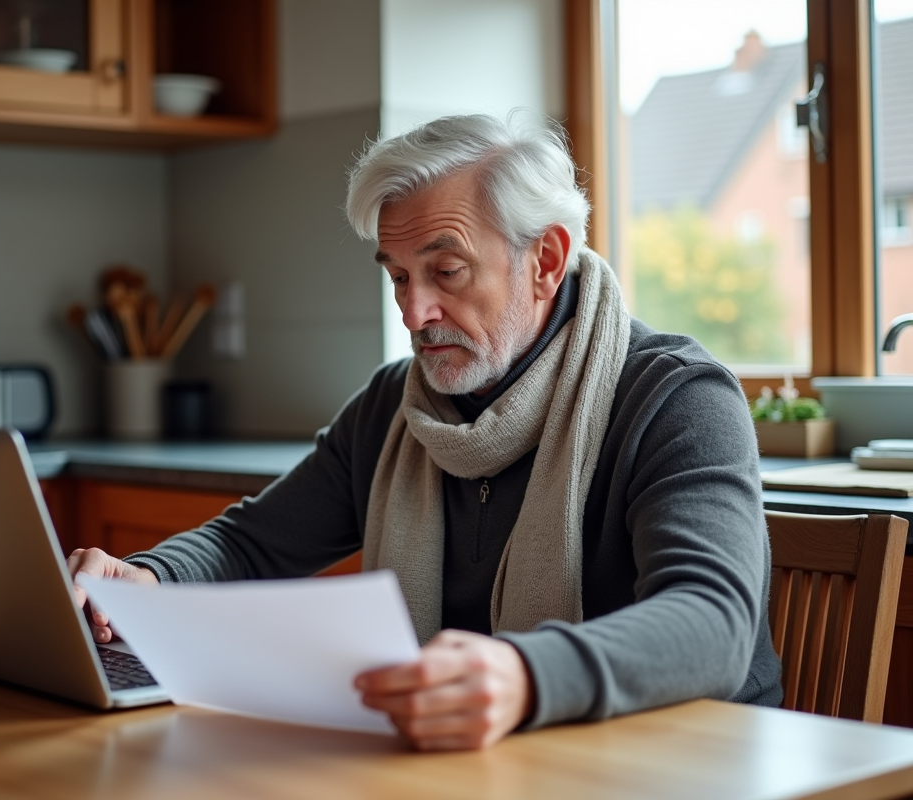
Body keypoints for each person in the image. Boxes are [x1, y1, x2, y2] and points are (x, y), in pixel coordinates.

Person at [68, 111, 782, 751]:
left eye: (446, 270)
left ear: (547, 261)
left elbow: (712, 622)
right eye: (399, 277)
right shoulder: (393, 407)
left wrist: (527, 675)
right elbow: (251, 542)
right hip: (489, 765)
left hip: (675, 764)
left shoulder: (676, 397)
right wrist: (149, 578)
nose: (415, 313)